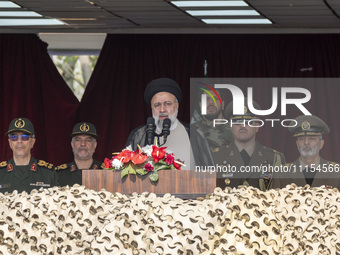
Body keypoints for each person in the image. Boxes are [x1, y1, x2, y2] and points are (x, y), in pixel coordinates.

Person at [125, 77, 213, 169]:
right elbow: (126, 171)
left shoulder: (195, 134)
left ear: (177, 106)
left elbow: (209, 173)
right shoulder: (139, 135)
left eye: (167, 104)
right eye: (157, 105)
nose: (162, 109)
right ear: (152, 108)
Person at [212, 100, 286, 191]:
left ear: (257, 126)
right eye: (237, 121)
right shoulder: (215, 157)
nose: (242, 125)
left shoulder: (274, 158)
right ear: (231, 126)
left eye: (248, 121)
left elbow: (282, 197)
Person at [272, 115, 340, 189]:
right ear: (297, 143)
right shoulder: (282, 173)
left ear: (321, 144)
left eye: (312, 139)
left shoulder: (336, 172)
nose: (306, 142)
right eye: (301, 139)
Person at [0, 117, 58, 193]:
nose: (19, 141)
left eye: (25, 137)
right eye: (14, 137)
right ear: (10, 142)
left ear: (32, 142)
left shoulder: (48, 174)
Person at [57, 122, 104, 186]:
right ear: (72, 145)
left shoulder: (106, 173)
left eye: (88, 140)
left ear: (95, 145)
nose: (83, 144)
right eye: (78, 140)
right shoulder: (59, 174)